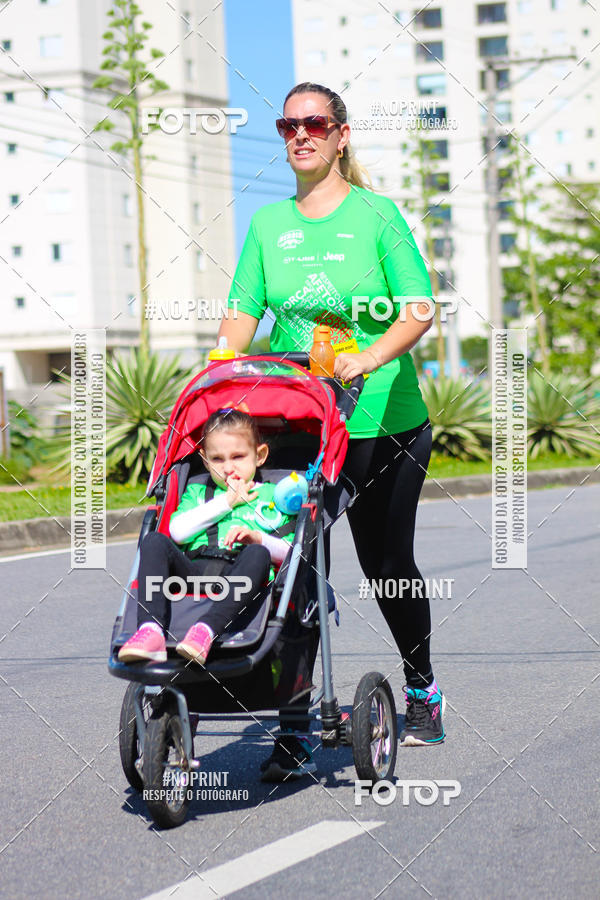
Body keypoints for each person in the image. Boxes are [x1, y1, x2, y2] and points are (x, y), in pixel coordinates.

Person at [219, 81, 446, 780]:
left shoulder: (378, 217)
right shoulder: (267, 226)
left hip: (384, 417)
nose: (300, 134)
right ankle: (295, 722)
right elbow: (239, 317)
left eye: (314, 123)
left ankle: (421, 688)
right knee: (291, 567)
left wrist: (367, 357)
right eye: (289, 124)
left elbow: (419, 307)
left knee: (386, 568)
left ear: (341, 134)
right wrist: (221, 374)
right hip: (300, 419)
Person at [118, 409, 296, 667]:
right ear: (205, 460)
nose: (228, 468)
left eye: (238, 457)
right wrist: (226, 501)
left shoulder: (274, 495)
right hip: (193, 570)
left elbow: (292, 551)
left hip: (241, 578)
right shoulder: (198, 491)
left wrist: (258, 538)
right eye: (217, 459)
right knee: (154, 541)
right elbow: (177, 532)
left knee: (259, 554)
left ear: (259, 456)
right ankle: (151, 631)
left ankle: (204, 631)